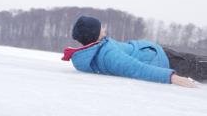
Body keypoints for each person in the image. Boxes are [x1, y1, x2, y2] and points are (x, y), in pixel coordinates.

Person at [62, 16, 205, 88]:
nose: (104, 28)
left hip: (159, 54)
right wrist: (173, 78)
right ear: (94, 33)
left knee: (200, 59)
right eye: (100, 27)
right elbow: (137, 69)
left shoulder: (98, 47)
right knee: (201, 65)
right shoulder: (108, 55)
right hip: (164, 62)